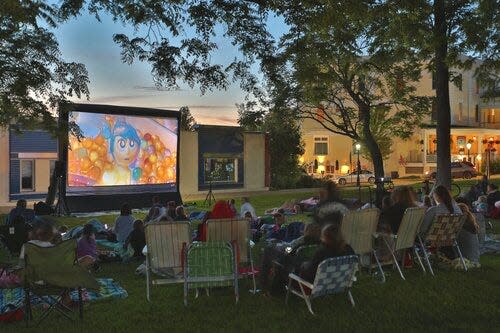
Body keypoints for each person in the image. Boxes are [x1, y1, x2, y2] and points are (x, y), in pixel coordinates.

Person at [259, 223, 322, 293]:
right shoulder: (319, 245)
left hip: (292, 271)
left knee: (268, 250)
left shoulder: (301, 241)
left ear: (306, 231)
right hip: (305, 272)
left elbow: (287, 250)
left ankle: (263, 283)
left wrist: (280, 247)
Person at [299, 213, 355, 283]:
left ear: (326, 237)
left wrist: (304, 265)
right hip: (340, 282)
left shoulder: (322, 252)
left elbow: (310, 272)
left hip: (319, 284)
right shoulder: (349, 249)